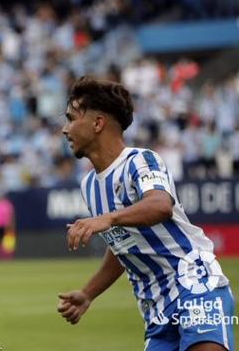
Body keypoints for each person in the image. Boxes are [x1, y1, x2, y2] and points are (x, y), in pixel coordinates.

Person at [58, 77, 234, 351]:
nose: (64, 129)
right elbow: (123, 246)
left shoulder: (141, 160)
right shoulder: (89, 185)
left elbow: (160, 205)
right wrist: (87, 293)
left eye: (71, 119)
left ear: (97, 123)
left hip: (195, 286)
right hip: (156, 312)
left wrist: (108, 218)